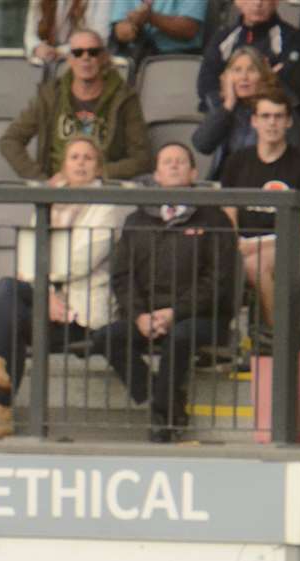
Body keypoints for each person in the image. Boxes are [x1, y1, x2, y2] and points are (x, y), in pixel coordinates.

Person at [0, 138, 128, 438]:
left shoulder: (106, 207)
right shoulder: (48, 203)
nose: (80, 163)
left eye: (88, 158)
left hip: (80, 316)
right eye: (74, 157)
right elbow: (28, 256)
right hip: (48, 303)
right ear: (64, 165)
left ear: (98, 167)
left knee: (9, 301)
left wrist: (42, 290)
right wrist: (46, 294)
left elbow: (79, 260)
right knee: (10, 298)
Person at [92, 142, 238, 441]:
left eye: (180, 162)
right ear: (156, 174)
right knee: (105, 337)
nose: (173, 166)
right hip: (148, 315)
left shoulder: (214, 219)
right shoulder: (136, 220)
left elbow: (217, 280)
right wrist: (140, 314)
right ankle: (167, 400)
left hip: (200, 316)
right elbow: (122, 276)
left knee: (180, 336)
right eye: (166, 161)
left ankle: (162, 416)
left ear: (193, 172)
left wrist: (175, 313)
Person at [218, 88, 300, 336]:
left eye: (278, 116)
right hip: (242, 245)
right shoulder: (236, 162)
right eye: (265, 116)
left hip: (288, 248)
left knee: (256, 264)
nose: (271, 122)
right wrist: (237, 244)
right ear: (254, 121)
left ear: (288, 122)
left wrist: (255, 247)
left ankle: (276, 337)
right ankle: (254, 337)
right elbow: (228, 215)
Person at [1, 29, 154, 182]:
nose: (85, 58)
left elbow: (142, 159)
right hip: (58, 192)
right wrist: (42, 182)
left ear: (103, 57)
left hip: (104, 190)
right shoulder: (50, 96)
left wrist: (99, 173)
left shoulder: (124, 98)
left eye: (93, 52)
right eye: (78, 52)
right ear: (69, 59)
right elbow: (10, 141)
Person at [194, 47, 292, 178]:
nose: (244, 77)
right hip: (225, 184)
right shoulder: (221, 106)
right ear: (228, 77)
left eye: (251, 70)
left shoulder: (279, 106)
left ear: (263, 75)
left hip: (263, 182)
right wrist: (228, 104)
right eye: (237, 70)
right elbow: (202, 144)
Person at [197, 0, 300, 115]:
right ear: (237, 2)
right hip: (224, 113)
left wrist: (233, 85)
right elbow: (206, 85)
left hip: (269, 117)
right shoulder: (223, 36)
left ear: (276, 2)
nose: (257, 3)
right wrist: (265, 77)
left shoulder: (292, 38)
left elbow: (287, 85)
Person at [107, 0, 208, 63]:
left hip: (178, 60)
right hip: (134, 59)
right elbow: (120, 30)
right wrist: (130, 28)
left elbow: (188, 29)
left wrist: (151, 18)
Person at [27, 0, 121, 62]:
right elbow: (30, 35)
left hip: (86, 62)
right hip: (47, 64)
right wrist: (36, 47)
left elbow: (100, 38)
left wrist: (59, 51)